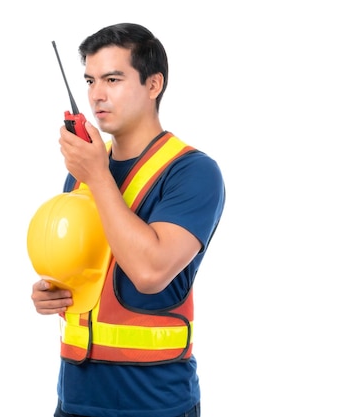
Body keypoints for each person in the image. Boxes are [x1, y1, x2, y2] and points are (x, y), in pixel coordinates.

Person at [30, 23, 225, 417]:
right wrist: (52, 292)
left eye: (113, 79)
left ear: (154, 85)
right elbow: (94, 270)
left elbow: (150, 272)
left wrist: (98, 175)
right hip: (74, 401)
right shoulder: (86, 168)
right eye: (90, 80)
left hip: (156, 404)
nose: (97, 95)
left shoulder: (193, 172)